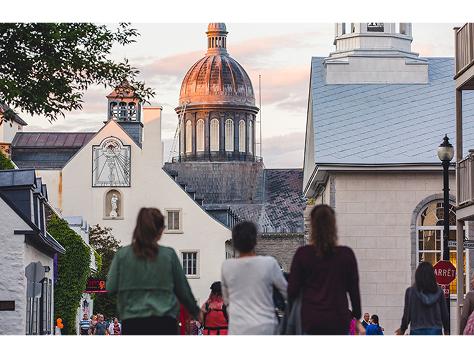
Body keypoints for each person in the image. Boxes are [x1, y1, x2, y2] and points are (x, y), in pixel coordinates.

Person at [107, 207, 201, 335]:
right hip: (164, 321)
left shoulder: (122, 255)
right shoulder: (169, 255)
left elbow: (111, 287)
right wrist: (196, 312)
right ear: (160, 230)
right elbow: (183, 291)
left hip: (133, 321)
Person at [287, 204, 362, 335]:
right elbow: (354, 291)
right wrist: (356, 317)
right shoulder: (346, 255)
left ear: (312, 226)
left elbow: (292, 290)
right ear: (334, 226)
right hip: (338, 319)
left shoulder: (303, 254)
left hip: (310, 318)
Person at [221, 221, 288, 335]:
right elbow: (287, 292)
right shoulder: (269, 263)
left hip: (238, 327)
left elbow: (227, 300)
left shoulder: (227, 266)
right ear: (255, 241)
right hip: (266, 327)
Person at [396, 261, 449, 335]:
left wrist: (402, 329)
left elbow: (407, 314)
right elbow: (445, 314)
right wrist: (447, 331)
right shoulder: (439, 292)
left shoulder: (410, 292)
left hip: (416, 330)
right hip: (435, 331)